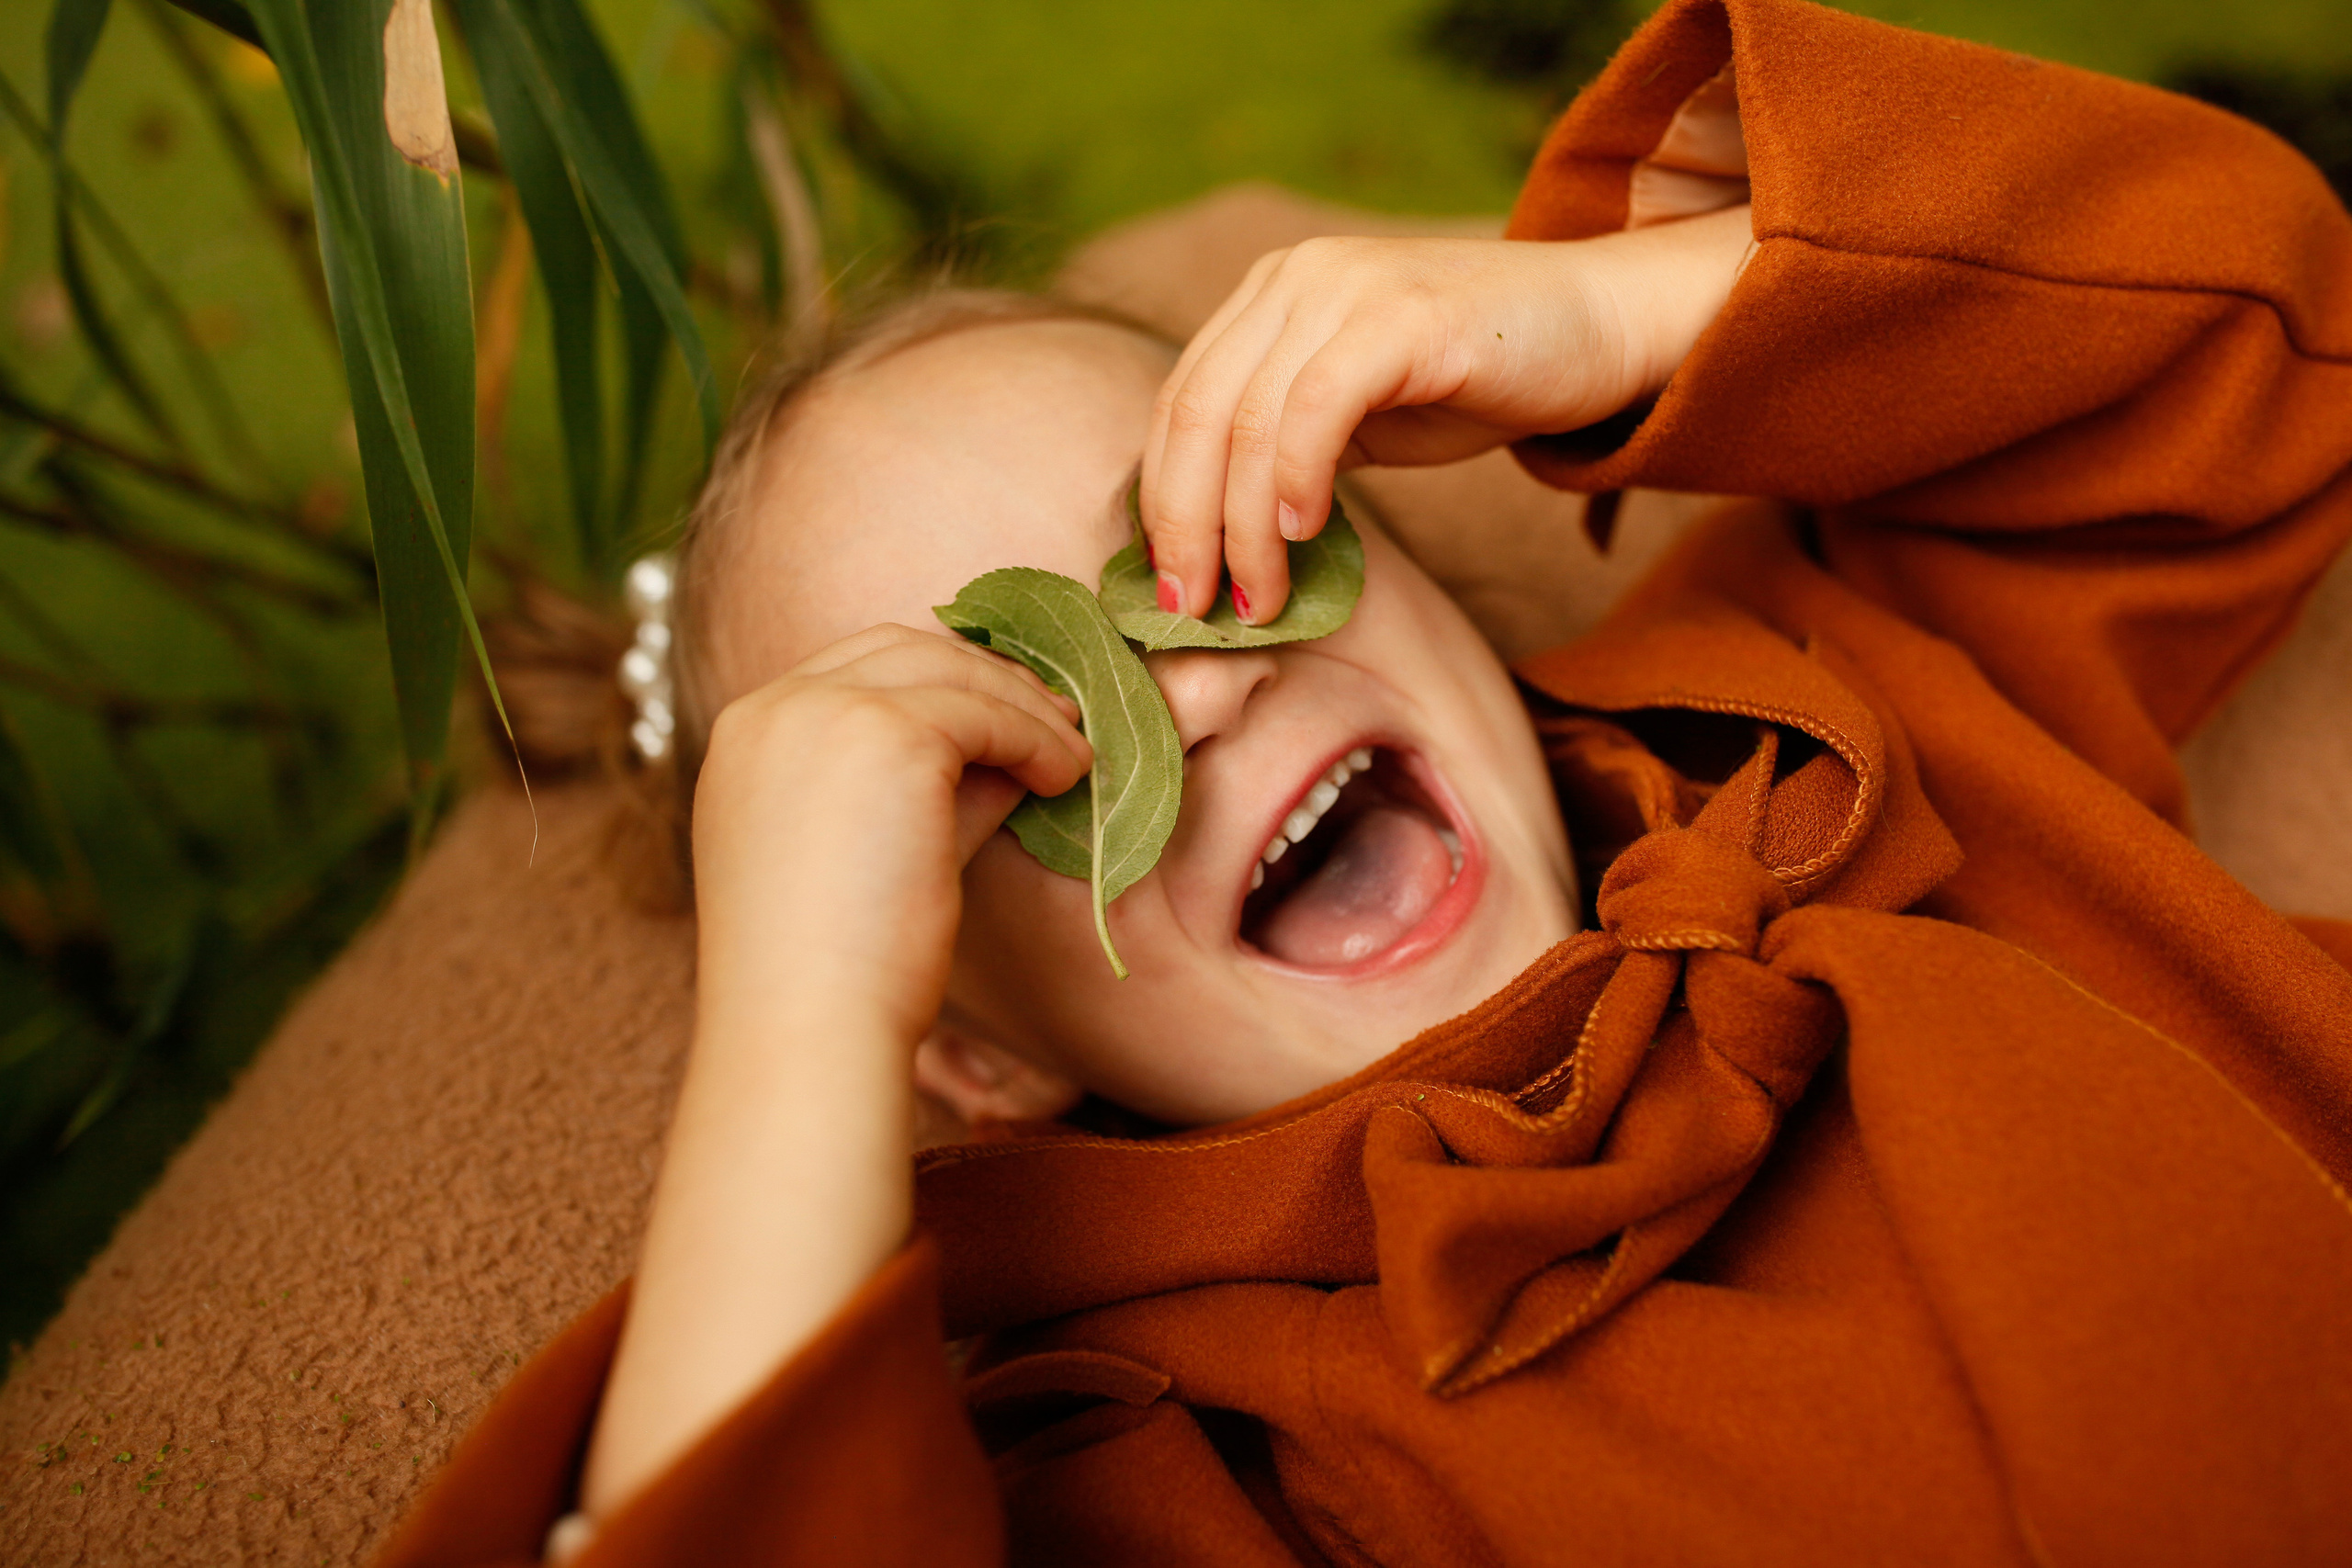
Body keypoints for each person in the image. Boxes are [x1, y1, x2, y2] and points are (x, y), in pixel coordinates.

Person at [376, 0, 2352, 1562]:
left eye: (1185, 547)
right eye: (1014, 739)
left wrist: (1612, 310)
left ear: (1386, 532)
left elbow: (2245, 342)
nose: (1198, 704)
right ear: (962, 1049)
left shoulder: (1831, 702)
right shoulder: (1186, 1457)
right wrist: (797, 1029)